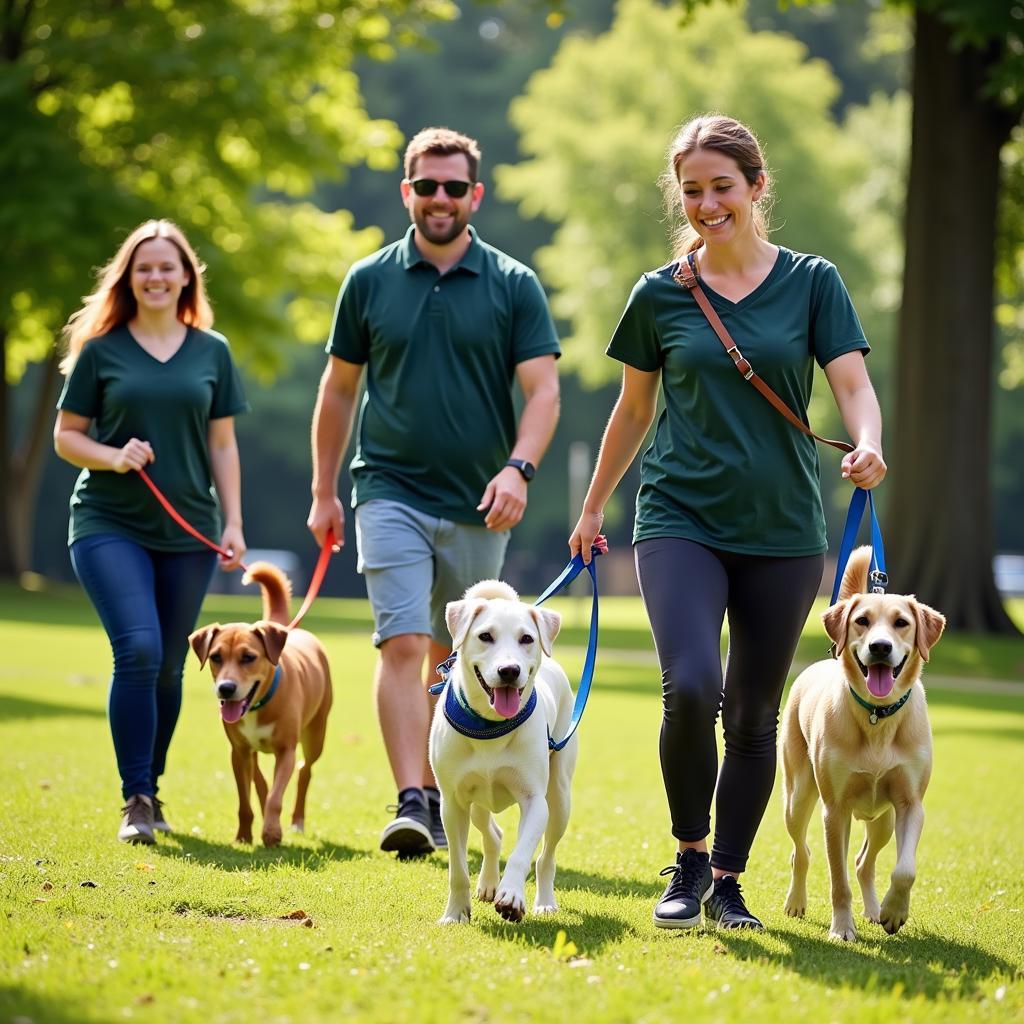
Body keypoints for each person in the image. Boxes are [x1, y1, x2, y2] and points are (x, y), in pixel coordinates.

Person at [570, 114, 886, 931]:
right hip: (679, 517)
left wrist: (870, 443)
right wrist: (593, 502)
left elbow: (851, 383)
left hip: (784, 529)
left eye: (722, 187)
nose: (708, 204)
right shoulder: (660, 294)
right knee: (693, 689)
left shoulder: (813, 282)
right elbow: (633, 409)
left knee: (752, 711)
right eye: (693, 191)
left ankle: (731, 882)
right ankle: (688, 857)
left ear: (756, 187)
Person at [307, 126, 561, 857]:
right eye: (427, 185)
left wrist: (519, 468)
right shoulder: (369, 280)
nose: (440, 198)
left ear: (474, 194)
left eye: (454, 186)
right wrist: (325, 491)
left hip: (481, 501)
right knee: (406, 642)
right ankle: (414, 799)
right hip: (386, 487)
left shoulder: (514, 283)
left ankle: (459, 785)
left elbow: (543, 392)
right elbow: (338, 390)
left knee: (461, 653)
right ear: (406, 192)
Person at [54, 219, 249, 846]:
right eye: (144, 267)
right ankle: (135, 797)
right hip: (108, 522)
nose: (156, 277)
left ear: (186, 276)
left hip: (189, 530)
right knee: (137, 650)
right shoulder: (101, 351)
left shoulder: (211, 349)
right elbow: (66, 436)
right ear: (128, 278)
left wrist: (236, 522)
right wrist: (113, 456)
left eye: (168, 266)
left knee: (169, 666)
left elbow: (223, 442)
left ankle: (152, 786)